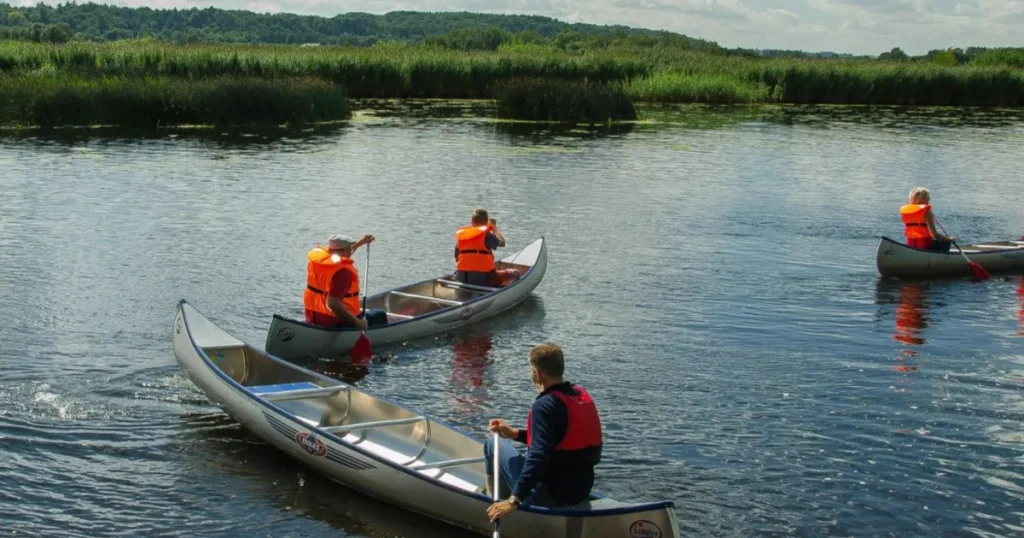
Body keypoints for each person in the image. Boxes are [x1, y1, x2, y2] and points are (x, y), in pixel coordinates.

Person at [484, 343, 602, 523]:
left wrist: (515, 499)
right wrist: (515, 433)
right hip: (580, 491)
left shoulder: (544, 406)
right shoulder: (578, 395)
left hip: (547, 496)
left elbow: (538, 457)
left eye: (531, 370)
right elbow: (557, 440)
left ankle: (494, 503)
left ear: (538, 374)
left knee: (492, 444)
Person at [303, 234, 388, 329]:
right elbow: (333, 304)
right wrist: (358, 322)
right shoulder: (343, 272)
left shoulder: (319, 262)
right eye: (349, 248)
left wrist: (360, 243)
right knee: (381, 314)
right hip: (335, 321)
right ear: (345, 250)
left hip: (314, 316)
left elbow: (341, 255)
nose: (351, 250)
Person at [454, 208, 520, 288]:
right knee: (515, 273)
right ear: (486, 223)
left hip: (461, 277)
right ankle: (504, 289)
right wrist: (494, 227)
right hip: (483, 280)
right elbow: (502, 243)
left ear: (472, 222)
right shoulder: (486, 235)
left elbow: (457, 258)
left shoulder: (462, 236)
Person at [900, 187, 954, 252]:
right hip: (925, 246)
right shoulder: (927, 212)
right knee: (946, 241)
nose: (929, 199)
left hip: (910, 245)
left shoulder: (907, 212)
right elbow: (935, 235)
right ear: (921, 198)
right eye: (927, 197)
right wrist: (949, 239)